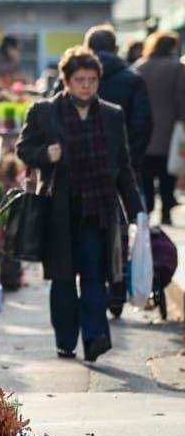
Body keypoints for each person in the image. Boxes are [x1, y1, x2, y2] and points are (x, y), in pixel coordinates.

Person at [16, 46, 143, 362]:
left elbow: (124, 167)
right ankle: (66, 339)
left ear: (98, 81)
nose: (86, 85)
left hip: (99, 209)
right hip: (60, 209)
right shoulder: (45, 112)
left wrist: (136, 208)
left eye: (91, 79)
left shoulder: (112, 115)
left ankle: (95, 336)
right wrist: (45, 155)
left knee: (94, 275)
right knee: (62, 279)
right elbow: (23, 149)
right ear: (67, 81)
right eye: (80, 80)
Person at [81, 24, 152, 172]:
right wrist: (129, 160)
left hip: (79, 164)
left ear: (87, 48)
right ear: (116, 48)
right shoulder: (133, 79)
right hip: (121, 165)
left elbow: (55, 117)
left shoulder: (70, 78)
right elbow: (142, 124)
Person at [133, 31, 185, 223]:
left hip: (144, 130)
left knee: (145, 174)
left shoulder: (140, 67)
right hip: (169, 130)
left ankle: (146, 211)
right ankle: (166, 212)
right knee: (167, 173)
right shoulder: (177, 68)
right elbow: (182, 97)